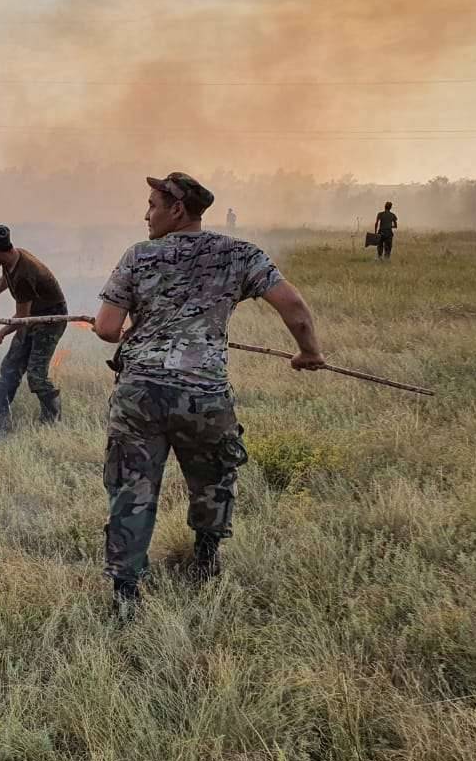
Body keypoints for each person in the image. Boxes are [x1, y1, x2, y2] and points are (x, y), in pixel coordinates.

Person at [93, 172, 325, 617]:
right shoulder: (240, 254)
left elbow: (105, 328)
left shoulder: (139, 256)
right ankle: (205, 559)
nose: (146, 214)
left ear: (176, 209)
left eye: (152, 205)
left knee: (132, 489)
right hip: (204, 394)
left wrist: (129, 330)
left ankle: (126, 594)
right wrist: (308, 353)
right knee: (213, 481)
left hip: (141, 392)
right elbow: (293, 306)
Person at [0, 224, 67, 424]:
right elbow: (7, 277)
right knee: (10, 367)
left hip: (50, 319)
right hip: (31, 316)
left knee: (36, 375)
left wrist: (1, 333)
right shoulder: (13, 257)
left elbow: (21, 316)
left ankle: (52, 419)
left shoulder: (25, 274)